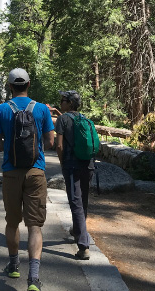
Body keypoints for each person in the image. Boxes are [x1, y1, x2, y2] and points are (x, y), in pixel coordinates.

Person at [0, 68, 55, 291]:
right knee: (35, 226)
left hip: (10, 172)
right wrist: (36, 150)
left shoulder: (0, 110)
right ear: (29, 84)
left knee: (12, 222)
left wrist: (10, 147)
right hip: (36, 172)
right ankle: (34, 278)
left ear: (10, 87)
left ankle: (14, 264)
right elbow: (50, 140)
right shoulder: (41, 109)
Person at [54, 90, 94, 259]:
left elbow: (59, 146)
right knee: (82, 200)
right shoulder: (85, 118)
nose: (60, 102)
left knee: (75, 202)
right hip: (89, 165)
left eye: (63, 100)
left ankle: (84, 246)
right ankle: (78, 231)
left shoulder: (63, 119)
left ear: (70, 103)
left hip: (72, 165)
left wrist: (63, 163)